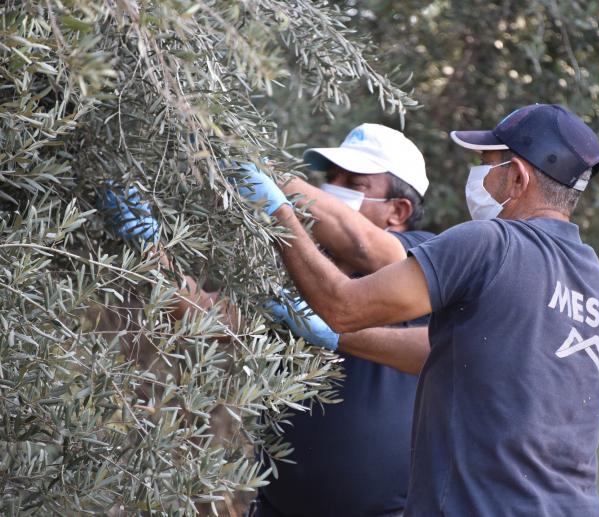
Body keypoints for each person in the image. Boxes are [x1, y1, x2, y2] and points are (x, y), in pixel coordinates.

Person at [249, 104, 599, 516]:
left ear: (517, 176)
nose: (478, 175)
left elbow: (341, 307)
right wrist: (340, 337)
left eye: (487, 163)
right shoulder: (594, 280)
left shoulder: (489, 243)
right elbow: (449, 350)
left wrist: (276, 208)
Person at [96, 123, 435, 517]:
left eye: (353, 183)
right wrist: (148, 243)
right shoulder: (299, 275)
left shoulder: (421, 263)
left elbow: (357, 238)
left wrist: (244, 170)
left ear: (398, 211)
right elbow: (201, 314)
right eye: (331, 178)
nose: (333, 189)